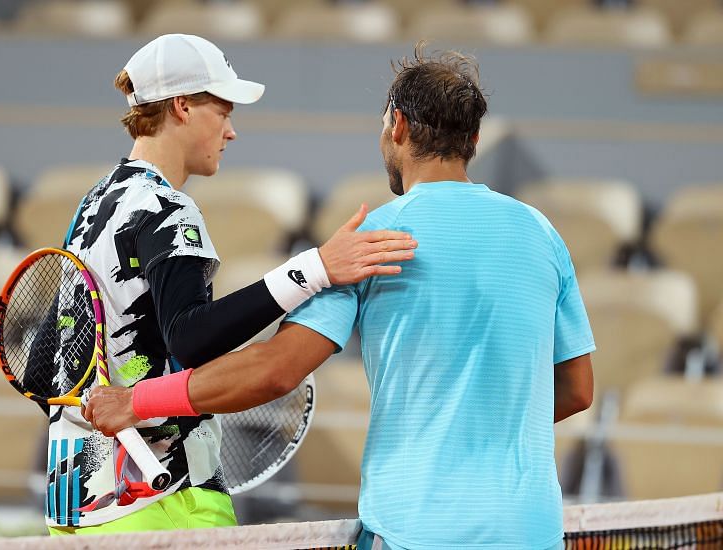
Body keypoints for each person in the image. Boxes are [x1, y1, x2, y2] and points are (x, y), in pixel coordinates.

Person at [85, 43, 595, 549]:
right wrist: (486, 416)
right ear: (474, 138)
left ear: (397, 126)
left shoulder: (373, 240)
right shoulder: (541, 233)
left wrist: (138, 400)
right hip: (533, 532)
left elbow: (276, 371)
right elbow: (577, 390)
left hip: (414, 532)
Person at [47, 33, 417, 535]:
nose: (231, 132)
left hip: (77, 512)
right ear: (181, 107)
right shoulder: (168, 208)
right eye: (223, 113)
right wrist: (315, 269)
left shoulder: (92, 207)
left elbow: (49, 355)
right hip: (166, 506)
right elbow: (192, 338)